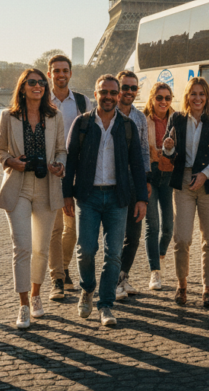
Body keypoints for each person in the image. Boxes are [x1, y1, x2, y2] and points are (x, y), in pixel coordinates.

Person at [62, 74, 148, 327]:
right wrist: (67, 194)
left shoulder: (128, 126)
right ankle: (87, 289)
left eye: (113, 92)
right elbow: (70, 162)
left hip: (117, 197)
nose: (108, 97)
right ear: (95, 94)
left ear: (119, 94)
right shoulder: (81, 124)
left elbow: (137, 165)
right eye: (103, 92)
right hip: (87, 196)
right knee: (86, 250)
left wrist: (141, 198)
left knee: (113, 255)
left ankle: (106, 305)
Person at [0, 69, 67, 329]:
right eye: (32, 82)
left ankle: (37, 295)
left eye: (41, 83)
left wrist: (60, 164)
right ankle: (23, 304)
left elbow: (61, 149)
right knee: (22, 246)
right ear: (23, 87)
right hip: (19, 187)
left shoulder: (55, 116)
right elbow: (0, 149)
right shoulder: (8, 116)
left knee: (41, 248)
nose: (37, 86)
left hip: (47, 185)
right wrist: (12, 161)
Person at [162, 77, 209, 307]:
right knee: (181, 238)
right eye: (193, 93)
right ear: (187, 96)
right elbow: (168, 150)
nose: (197, 98)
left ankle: (207, 288)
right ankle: (181, 285)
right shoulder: (177, 118)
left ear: (207, 97)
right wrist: (168, 147)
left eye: (202, 94)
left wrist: (205, 173)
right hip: (184, 180)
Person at [47, 54, 91, 297]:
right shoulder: (41, 100)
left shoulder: (84, 103)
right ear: (50, 74)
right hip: (50, 170)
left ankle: (63, 267)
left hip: (74, 169)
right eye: (56, 71)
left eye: (65, 70)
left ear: (70, 74)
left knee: (72, 227)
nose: (61, 75)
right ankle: (58, 278)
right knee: (54, 228)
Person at [115, 70, 152, 301]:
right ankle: (113, 280)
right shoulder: (107, 114)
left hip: (134, 179)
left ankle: (122, 276)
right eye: (125, 87)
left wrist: (145, 181)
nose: (129, 91)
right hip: (113, 180)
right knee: (116, 234)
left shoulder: (139, 118)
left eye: (133, 88)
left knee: (134, 234)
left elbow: (145, 151)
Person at [142, 81, 175, 291]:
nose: (163, 102)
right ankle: (155, 271)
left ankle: (160, 255)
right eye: (159, 98)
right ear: (152, 99)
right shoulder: (143, 120)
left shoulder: (177, 119)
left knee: (169, 226)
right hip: (151, 175)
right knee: (152, 225)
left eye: (167, 98)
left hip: (169, 176)